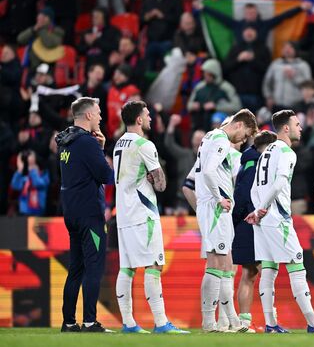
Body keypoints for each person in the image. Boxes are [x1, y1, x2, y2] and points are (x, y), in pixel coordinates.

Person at [245, 110, 314, 333]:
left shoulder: (266, 152)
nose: (301, 127)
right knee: (297, 266)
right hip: (276, 217)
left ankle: (270, 324)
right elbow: (279, 183)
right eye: (297, 124)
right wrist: (262, 209)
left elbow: (254, 187)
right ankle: (313, 323)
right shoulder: (287, 152)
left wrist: (257, 211)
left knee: (269, 269)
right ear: (286, 128)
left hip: (263, 220)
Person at [112, 101, 189, 334]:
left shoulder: (118, 144)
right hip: (143, 213)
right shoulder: (145, 145)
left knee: (127, 268)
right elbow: (161, 185)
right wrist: (153, 177)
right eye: (147, 115)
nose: (150, 118)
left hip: (123, 214)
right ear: (138, 120)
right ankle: (161, 322)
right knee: (154, 265)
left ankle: (129, 323)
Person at [195, 109, 258, 332]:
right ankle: (208, 321)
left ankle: (231, 320)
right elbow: (209, 171)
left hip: (211, 206)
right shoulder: (221, 139)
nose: (243, 139)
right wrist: (219, 197)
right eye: (245, 134)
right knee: (216, 263)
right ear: (239, 125)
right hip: (215, 207)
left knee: (224, 263)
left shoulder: (210, 137)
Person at [56, 97, 114, 332]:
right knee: (94, 268)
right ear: (88, 115)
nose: (100, 117)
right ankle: (90, 322)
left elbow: (80, 171)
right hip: (90, 214)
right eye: (98, 112)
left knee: (76, 269)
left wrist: (98, 149)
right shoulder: (87, 143)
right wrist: (101, 150)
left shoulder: (65, 141)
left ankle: (69, 322)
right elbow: (106, 176)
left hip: (71, 213)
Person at [231, 130, 277, 331]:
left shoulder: (252, 161)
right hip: (250, 222)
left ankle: (259, 321)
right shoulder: (253, 164)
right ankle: (244, 322)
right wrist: (237, 220)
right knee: (250, 272)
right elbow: (243, 195)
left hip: (254, 221)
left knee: (256, 272)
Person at [10, 150, 50, 216]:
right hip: (25, 211)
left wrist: (33, 171)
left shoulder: (44, 173)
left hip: (39, 210)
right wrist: (19, 170)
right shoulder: (24, 176)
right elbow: (15, 186)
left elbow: (39, 184)